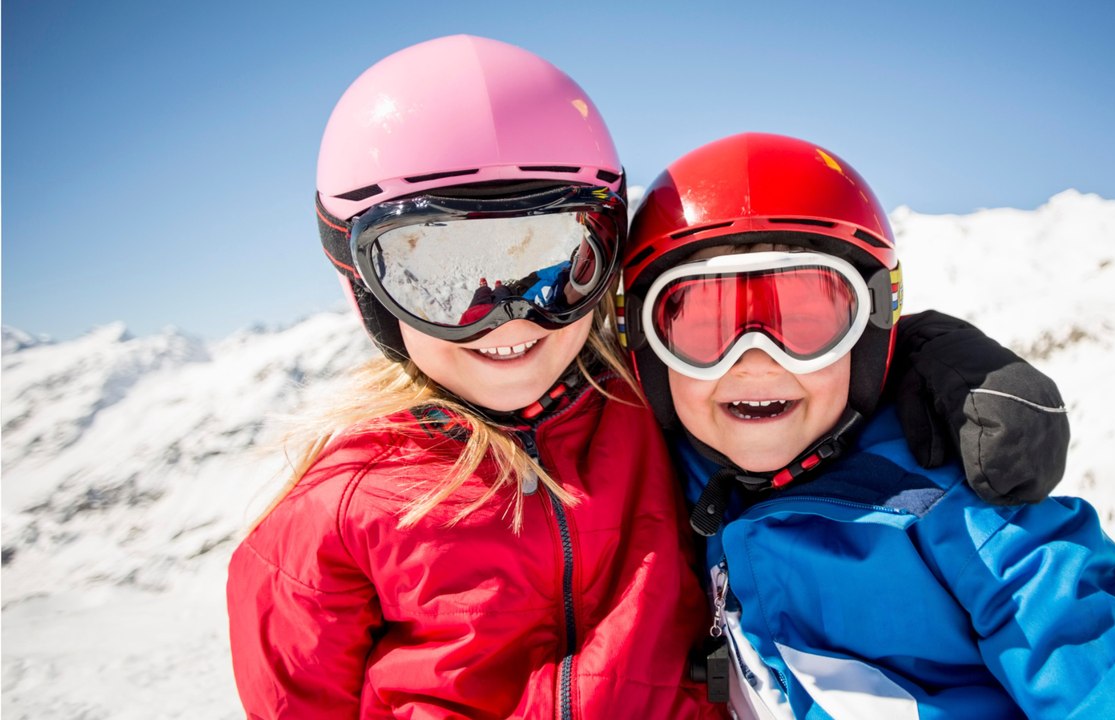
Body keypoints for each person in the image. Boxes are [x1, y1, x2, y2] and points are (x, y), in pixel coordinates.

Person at [226, 37, 1069, 718]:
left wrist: (933, 358)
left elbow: (780, 356)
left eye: (550, 262)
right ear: (361, 283)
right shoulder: (333, 516)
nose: (512, 318)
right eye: (440, 277)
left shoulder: (649, 400)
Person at [620, 132, 1115, 718]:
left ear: (869, 335)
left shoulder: (950, 503)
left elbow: (1094, 655)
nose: (756, 360)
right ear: (647, 346)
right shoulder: (663, 477)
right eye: (701, 327)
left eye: (806, 323)